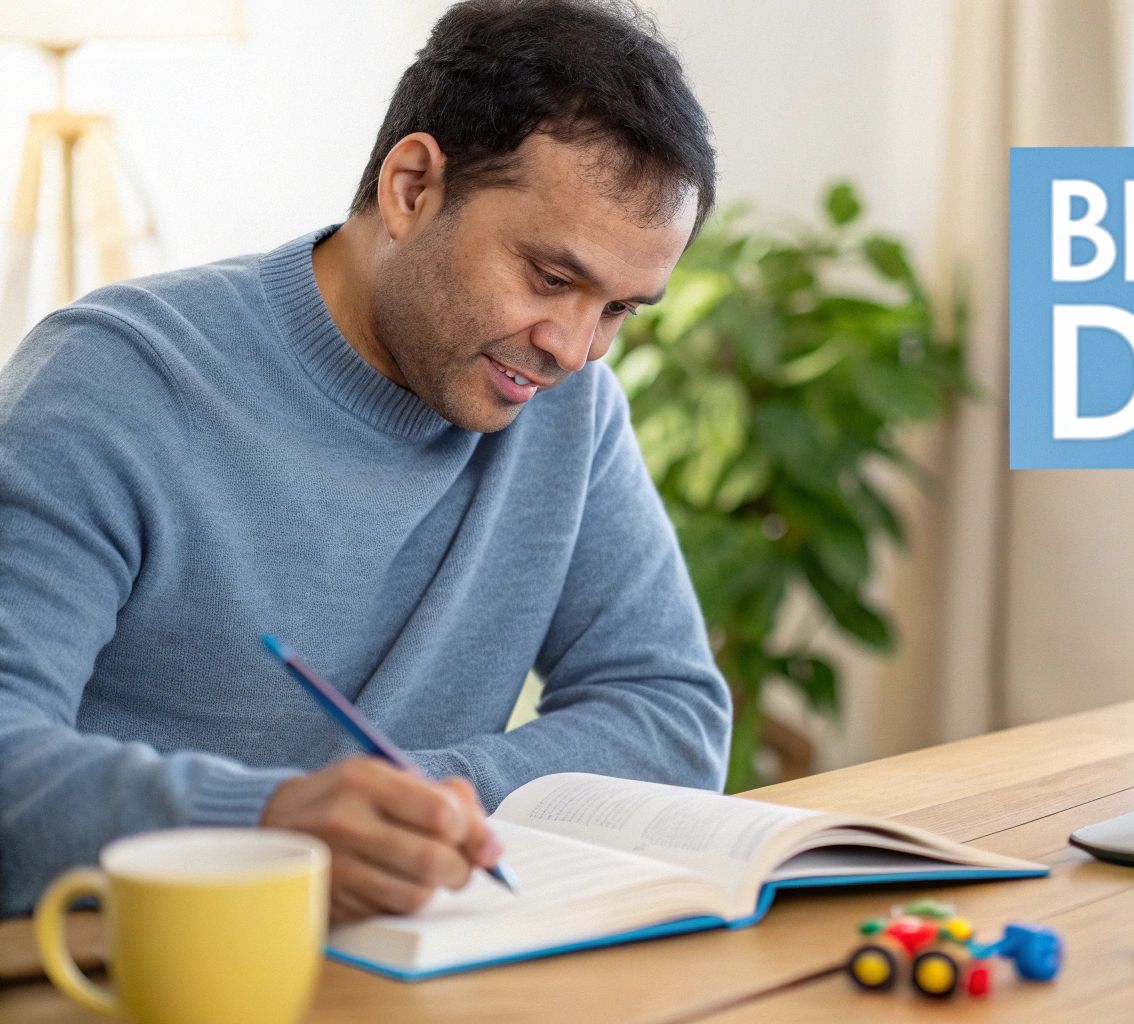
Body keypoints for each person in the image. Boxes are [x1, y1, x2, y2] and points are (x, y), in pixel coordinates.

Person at [0, 0, 732, 923]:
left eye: (622, 309)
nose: (575, 347)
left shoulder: (569, 411)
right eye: (551, 278)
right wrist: (269, 825)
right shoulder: (112, 382)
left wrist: (417, 801)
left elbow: (671, 718)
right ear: (412, 187)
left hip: (399, 963)